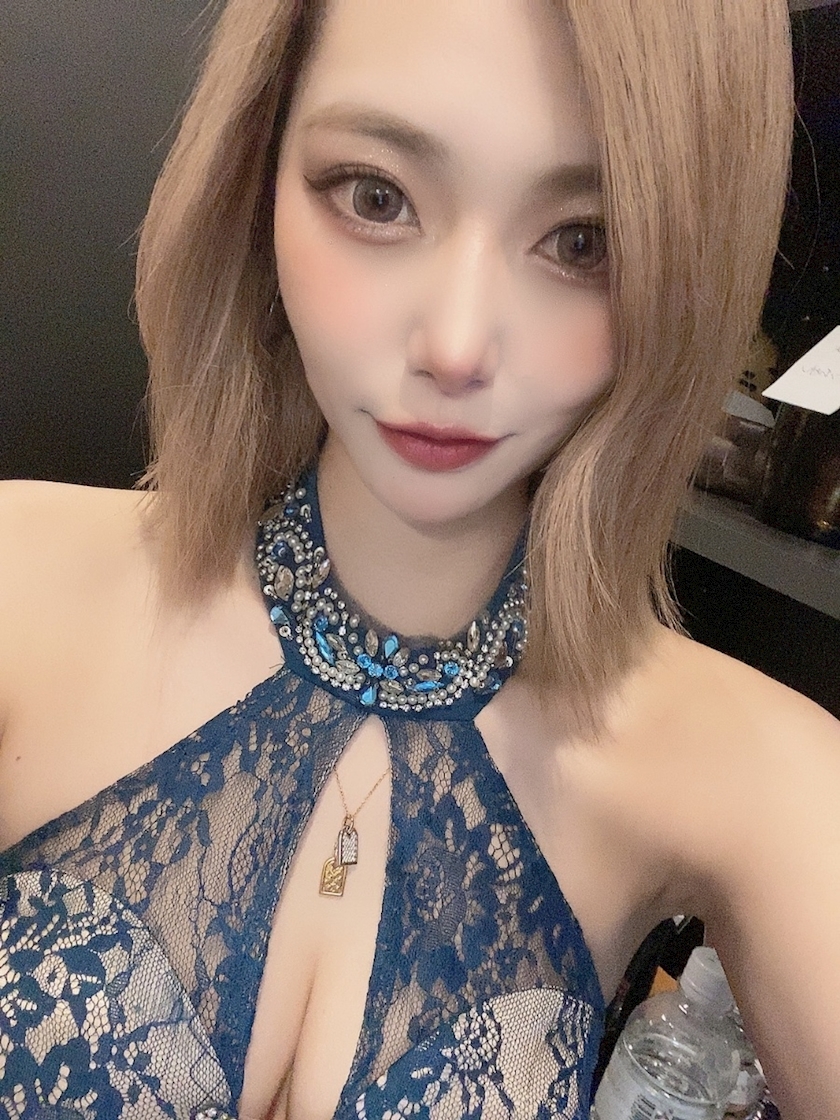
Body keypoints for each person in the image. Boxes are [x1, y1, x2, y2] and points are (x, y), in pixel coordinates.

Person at [0, 0, 838, 1117]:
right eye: (376, 196)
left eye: (582, 241)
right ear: (256, 172)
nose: (455, 345)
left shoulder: (757, 777)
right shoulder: (19, 581)